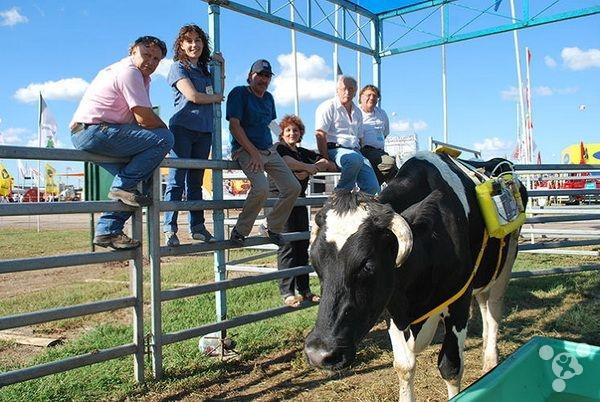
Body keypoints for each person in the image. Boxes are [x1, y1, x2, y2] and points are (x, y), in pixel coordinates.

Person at [70, 35, 174, 250]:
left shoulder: (133, 74)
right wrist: (164, 129)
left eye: (156, 59)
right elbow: (144, 118)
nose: (151, 62)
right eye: (146, 55)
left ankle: (107, 230)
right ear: (132, 51)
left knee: (133, 182)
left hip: (92, 131)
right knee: (165, 139)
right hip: (95, 130)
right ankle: (120, 191)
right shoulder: (130, 72)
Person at [225, 59, 301, 246]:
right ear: (251, 76)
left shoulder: (269, 99)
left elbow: (271, 124)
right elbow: (234, 126)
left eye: (267, 76)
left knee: (293, 187)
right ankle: (240, 231)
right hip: (245, 149)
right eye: (259, 75)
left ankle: (271, 227)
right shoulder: (239, 93)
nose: (264, 80)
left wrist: (285, 142)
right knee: (261, 188)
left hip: (268, 149)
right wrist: (254, 153)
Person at [163, 24, 225, 247]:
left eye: (198, 40)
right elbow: (193, 96)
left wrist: (221, 66)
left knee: (196, 182)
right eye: (188, 40)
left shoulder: (206, 71)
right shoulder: (178, 68)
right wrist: (217, 98)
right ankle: (169, 228)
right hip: (183, 128)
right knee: (177, 179)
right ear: (181, 44)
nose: (194, 45)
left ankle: (197, 227)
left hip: (204, 130)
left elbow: (220, 90)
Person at [269, 115, 336, 307]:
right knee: (287, 245)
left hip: (298, 201)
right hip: (279, 201)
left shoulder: (303, 152)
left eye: (295, 130)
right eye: (288, 130)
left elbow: (326, 162)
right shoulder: (278, 148)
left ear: (300, 134)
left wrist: (307, 169)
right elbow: (287, 163)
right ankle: (287, 292)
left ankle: (305, 290)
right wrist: (308, 168)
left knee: (301, 244)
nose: (292, 133)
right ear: (282, 133)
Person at [315, 75, 380, 195]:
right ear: (337, 90)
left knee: (373, 188)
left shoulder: (358, 112)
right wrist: (326, 159)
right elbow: (320, 134)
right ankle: (339, 196)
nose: (347, 92)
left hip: (355, 151)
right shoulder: (328, 106)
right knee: (353, 159)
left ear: (355, 92)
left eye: (351, 89)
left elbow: (360, 138)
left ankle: (355, 208)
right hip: (335, 149)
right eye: (344, 88)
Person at [358, 85, 398, 184]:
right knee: (389, 162)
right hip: (363, 151)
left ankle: (375, 192)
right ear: (361, 97)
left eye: (375, 96)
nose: (372, 98)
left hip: (379, 151)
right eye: (369, 95)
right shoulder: (356, 112)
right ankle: (373, 189)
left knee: (396, 175)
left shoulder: (382, 113)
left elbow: (385, 133)